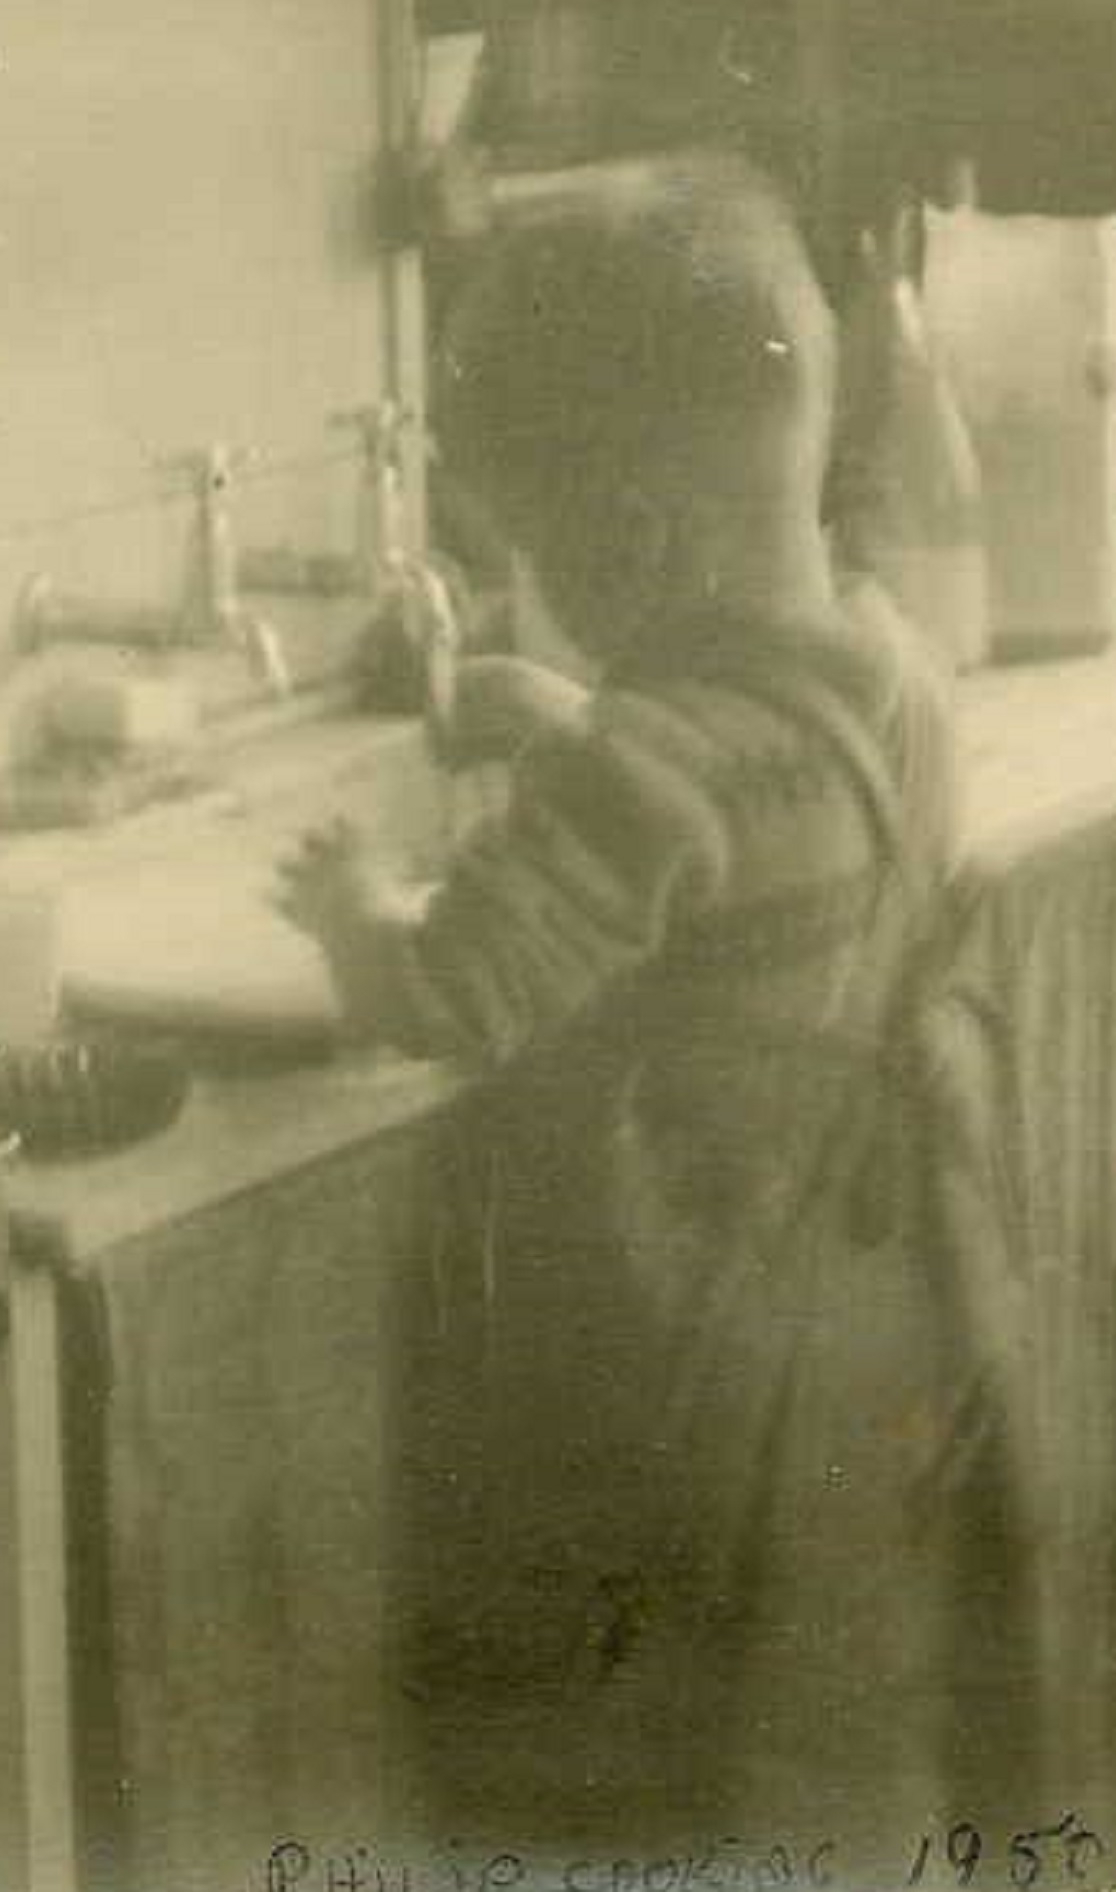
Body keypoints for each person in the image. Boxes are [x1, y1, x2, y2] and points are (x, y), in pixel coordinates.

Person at [277, 151, 1041, 1874]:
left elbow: (453, 996)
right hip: (868, 1344)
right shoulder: (889, 676)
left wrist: (351, 918)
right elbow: (735, 796)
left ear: (626, 542)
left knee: (642, 1776)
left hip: (672, 1384)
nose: (521, 592)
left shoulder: (639, 776)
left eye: (527, 560)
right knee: (824, 1749)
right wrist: (567, 713)